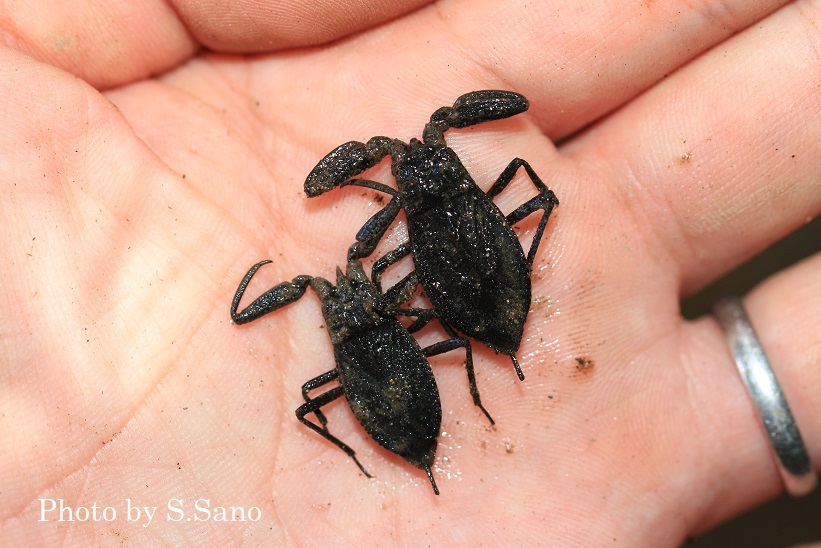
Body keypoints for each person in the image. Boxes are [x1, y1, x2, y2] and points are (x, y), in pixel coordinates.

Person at [1, 1, 818, 544]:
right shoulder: (407, 227)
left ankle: (490, 329)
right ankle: (487, 334)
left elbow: (491, 212)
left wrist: (422, 250)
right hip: (460, 289)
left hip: (460, 288)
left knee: (476, 271)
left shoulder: (397, 228)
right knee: (489, 257)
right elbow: (518, 203)